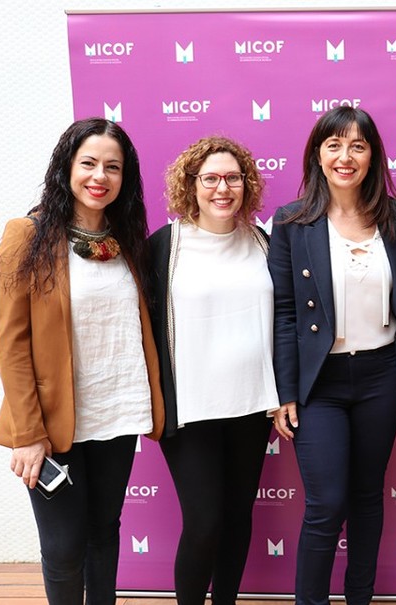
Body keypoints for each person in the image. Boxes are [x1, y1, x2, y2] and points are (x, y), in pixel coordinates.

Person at [0, 118, 165, 605]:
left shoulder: (126, 241)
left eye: (113, 167)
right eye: (88, 163)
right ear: (66, 167)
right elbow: (11, 343)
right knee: (64, 547)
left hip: (116, 411)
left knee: (103, 533)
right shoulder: (26, 236)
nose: (99, 176)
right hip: (51, 422)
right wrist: (28, 433)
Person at [268, 106, 396, 605]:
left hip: (381, 376)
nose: (345, 157)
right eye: (333, 145)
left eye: (357, 146)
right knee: (326, 504)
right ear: (317, 154)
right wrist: (285, 391)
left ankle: (359, 598)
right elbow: (284, 312)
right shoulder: (292, 221)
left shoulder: (394, 215)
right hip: (318, 383)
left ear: (372, 156)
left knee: (368, 496)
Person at [147, 136, 277, 605]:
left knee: (237, 517)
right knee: (204, 521)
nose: (223, 188)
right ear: (191, 185)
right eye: (211, 179)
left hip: (252, 404)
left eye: (233, 178)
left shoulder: (263, 242)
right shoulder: (165, 246)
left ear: (247, 184)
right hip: (189, 409)